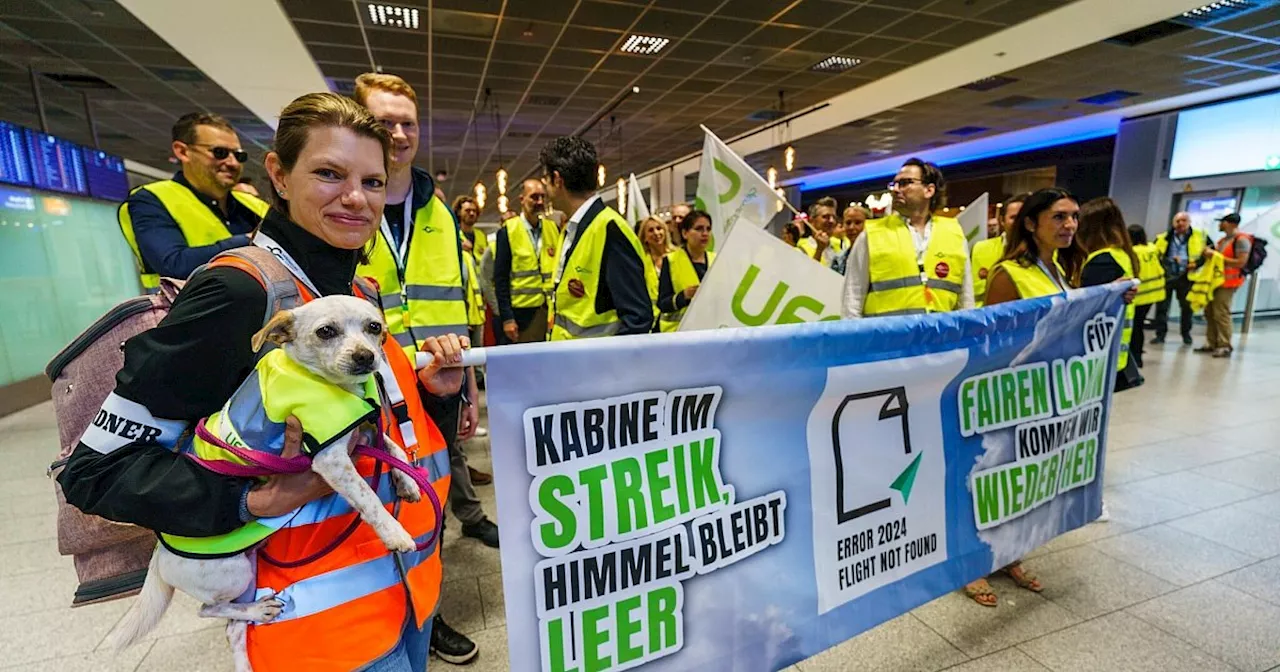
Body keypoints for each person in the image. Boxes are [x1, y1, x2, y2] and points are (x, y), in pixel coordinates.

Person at [60, 92, 460, 671]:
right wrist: (252, 497)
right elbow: (97, 472)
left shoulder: (356, 294)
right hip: (315, 630)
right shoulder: (239, 294)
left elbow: (347, 411)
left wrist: (424, 390)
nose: (355, 198)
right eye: (329, 173)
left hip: (405, 595)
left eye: (373, 182)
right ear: (278, 174)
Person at [353, 72, 489, 663]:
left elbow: (458, 303)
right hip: (364, 389)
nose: (400, 133)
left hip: (434, 390)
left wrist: (470, 392)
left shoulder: (439, 213)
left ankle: (427, 614)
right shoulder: (348, 204)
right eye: (385, 121)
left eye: (409, 122)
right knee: (374, 507)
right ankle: (396, 617)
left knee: (425, 502)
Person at [966, 187, 1091, 606]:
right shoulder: (1009, 274)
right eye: (1059, 216)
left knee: (1025, 481)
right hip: (1009, 396)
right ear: (1033, 223)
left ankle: (1010, 554)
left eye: (1073, 216)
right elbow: (991, 345)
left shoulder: (1059, 271)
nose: (1069, 224)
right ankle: (973, 565)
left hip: (1046, 395)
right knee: (992, 480)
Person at [119, 112, 269, 292]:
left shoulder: (253, 205)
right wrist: (249, 240)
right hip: (193, 313)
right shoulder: (151, 199)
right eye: (220, 152)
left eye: (239, 156)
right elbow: (174, 265)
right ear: (183, 151)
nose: (233, 163)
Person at [540, 136, 656, 339]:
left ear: (558, 180)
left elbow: (638, 318)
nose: (544, 188)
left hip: (594, 366)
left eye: (545, 179)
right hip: (568, 360)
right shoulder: (572, 228)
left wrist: (608, 367)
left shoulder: (610, 229)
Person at [841, 158, 973, 318]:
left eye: (905, 183)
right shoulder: (872, 235)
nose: (896, 189)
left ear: (929, 190)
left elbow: (966, 299)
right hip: (889, 340)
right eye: (894, 184)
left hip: (939, 339)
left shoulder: (954, 233)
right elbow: (852, 297)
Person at [1077, 197, 1142, 389]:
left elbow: (1085, 307)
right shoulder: (1122, 254)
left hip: (1097, 350)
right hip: (1114, 348)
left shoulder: (1101, 260)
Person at [494, 178, 560, 344]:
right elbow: (500, 279)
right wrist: (507, 318)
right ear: (522, 199)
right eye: (534, 197)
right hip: (521, 313)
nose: (540, 201)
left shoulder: (553, 228)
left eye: (542, 197)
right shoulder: (508, 231)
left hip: (550, 310)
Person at [1152, 212, 1208, 345]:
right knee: (1162, 307)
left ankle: (1186, 334)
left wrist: (1196, 263)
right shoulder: (1163, 238)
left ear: (1189, 222)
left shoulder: (1200, 236)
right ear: (1173, 223)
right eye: (1177, 221)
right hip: (1168, 276)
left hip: (1186, 276)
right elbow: (1155, 255)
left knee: (1187, 308)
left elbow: (1209, 253)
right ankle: (1160, 335)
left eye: (1183, 220)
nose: (1180, 223)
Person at [1201, 213, 1251, 357]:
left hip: (1229, 282)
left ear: (1231, 224)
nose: (1219, 225)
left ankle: (1224, 344)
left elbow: (1241, 262)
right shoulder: (1223, 240)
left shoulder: (1241, 240)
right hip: (1216, 281)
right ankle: (1212, 342)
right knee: (1209, 311)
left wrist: (1216, 256)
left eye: (1222, 222)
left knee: (1221, 312)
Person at [657, 210, 715, 332]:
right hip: (680, 334)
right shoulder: (671, 260)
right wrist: (683, 296)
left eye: (708, 229)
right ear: (685, 233)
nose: (705, 233)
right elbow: (662, 304)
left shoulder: (716, 259)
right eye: (699, 229)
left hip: (711, 331)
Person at [971, 194, 1028, 307]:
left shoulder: (1043, 251)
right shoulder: (981, 248)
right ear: (1002, 220)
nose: (1019, 222)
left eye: (1024, 217)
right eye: (1013, 217)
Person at [1128, 225, 1165, 368]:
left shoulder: (1132, 252)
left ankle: (1135, 358)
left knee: (1135, 328)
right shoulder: (1153, 248)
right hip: (1153, 293)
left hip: (1138, 295)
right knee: (1139, 326)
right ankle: (1138, 357)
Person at [798, 200, 840, 265]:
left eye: (834, 217)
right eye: (826, 217)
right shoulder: (800, 251)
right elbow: (807, 274)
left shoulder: (840, 246)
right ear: (811, 221)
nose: (832, 221)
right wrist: (819, 250)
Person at [831, 205, 868, 275]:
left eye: (858, 222)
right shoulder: (838, 259)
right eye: (848, 223)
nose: (851, 227)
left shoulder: (875, 255)